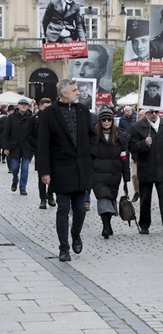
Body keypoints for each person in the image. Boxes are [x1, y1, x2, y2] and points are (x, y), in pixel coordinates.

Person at [36, 79, 97, 262]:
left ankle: (76, 233)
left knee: (80, 208)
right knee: (63, 208)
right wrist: (44, 172)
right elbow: (42, 145)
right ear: (64, 93)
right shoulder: (49, 114)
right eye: (75, 90)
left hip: (81, 168)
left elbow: (92, 136)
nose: (78, 92)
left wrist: (90, 154)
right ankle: (64, 247)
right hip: (60, 168)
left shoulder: (83, 111)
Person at [128, 108, 163, 237]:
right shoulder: (137, 126)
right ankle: (144, 224)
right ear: (146, 113)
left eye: (156, 112)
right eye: (151, 112)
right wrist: (143, 143)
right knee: (145, 199)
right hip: (146, 168)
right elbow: (132, 147)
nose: (154, 114)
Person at [91, 108, 130, 239]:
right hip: (98, 174)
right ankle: (105, 227)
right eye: (103, 119)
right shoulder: (92, 136)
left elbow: (125, 158)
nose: (106, 122)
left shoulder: (120, 137)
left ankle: (108, 224)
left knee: (110, 199)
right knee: (102, 199)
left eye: (109, 119)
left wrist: (126, 178)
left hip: (114, 173)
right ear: (100, 121)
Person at [2, 98, 36, 195]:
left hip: (27, 147)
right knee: (15, 168)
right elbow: (6, 134)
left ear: (28, 106)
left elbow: (34, 133)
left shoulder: (31, 118)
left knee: (25, 169)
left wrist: (34, 146)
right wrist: (5, 147)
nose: (23, 106)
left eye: (25, 104)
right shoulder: (11, 117)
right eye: (21, 104)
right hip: (14, 147)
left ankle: (22, 187)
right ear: (18, 106)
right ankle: (15, 180)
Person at [34, 98, 55, 209]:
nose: (47, 109)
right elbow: (30, 134)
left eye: (49, 106)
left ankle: (50, 195)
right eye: (45, 106)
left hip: (53, 151)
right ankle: (42, 199)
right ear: (40, 106)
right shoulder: (35, 118)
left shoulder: (54, 117)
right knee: (41, 176)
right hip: (40, 151)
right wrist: (36, 146)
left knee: (53, 174)